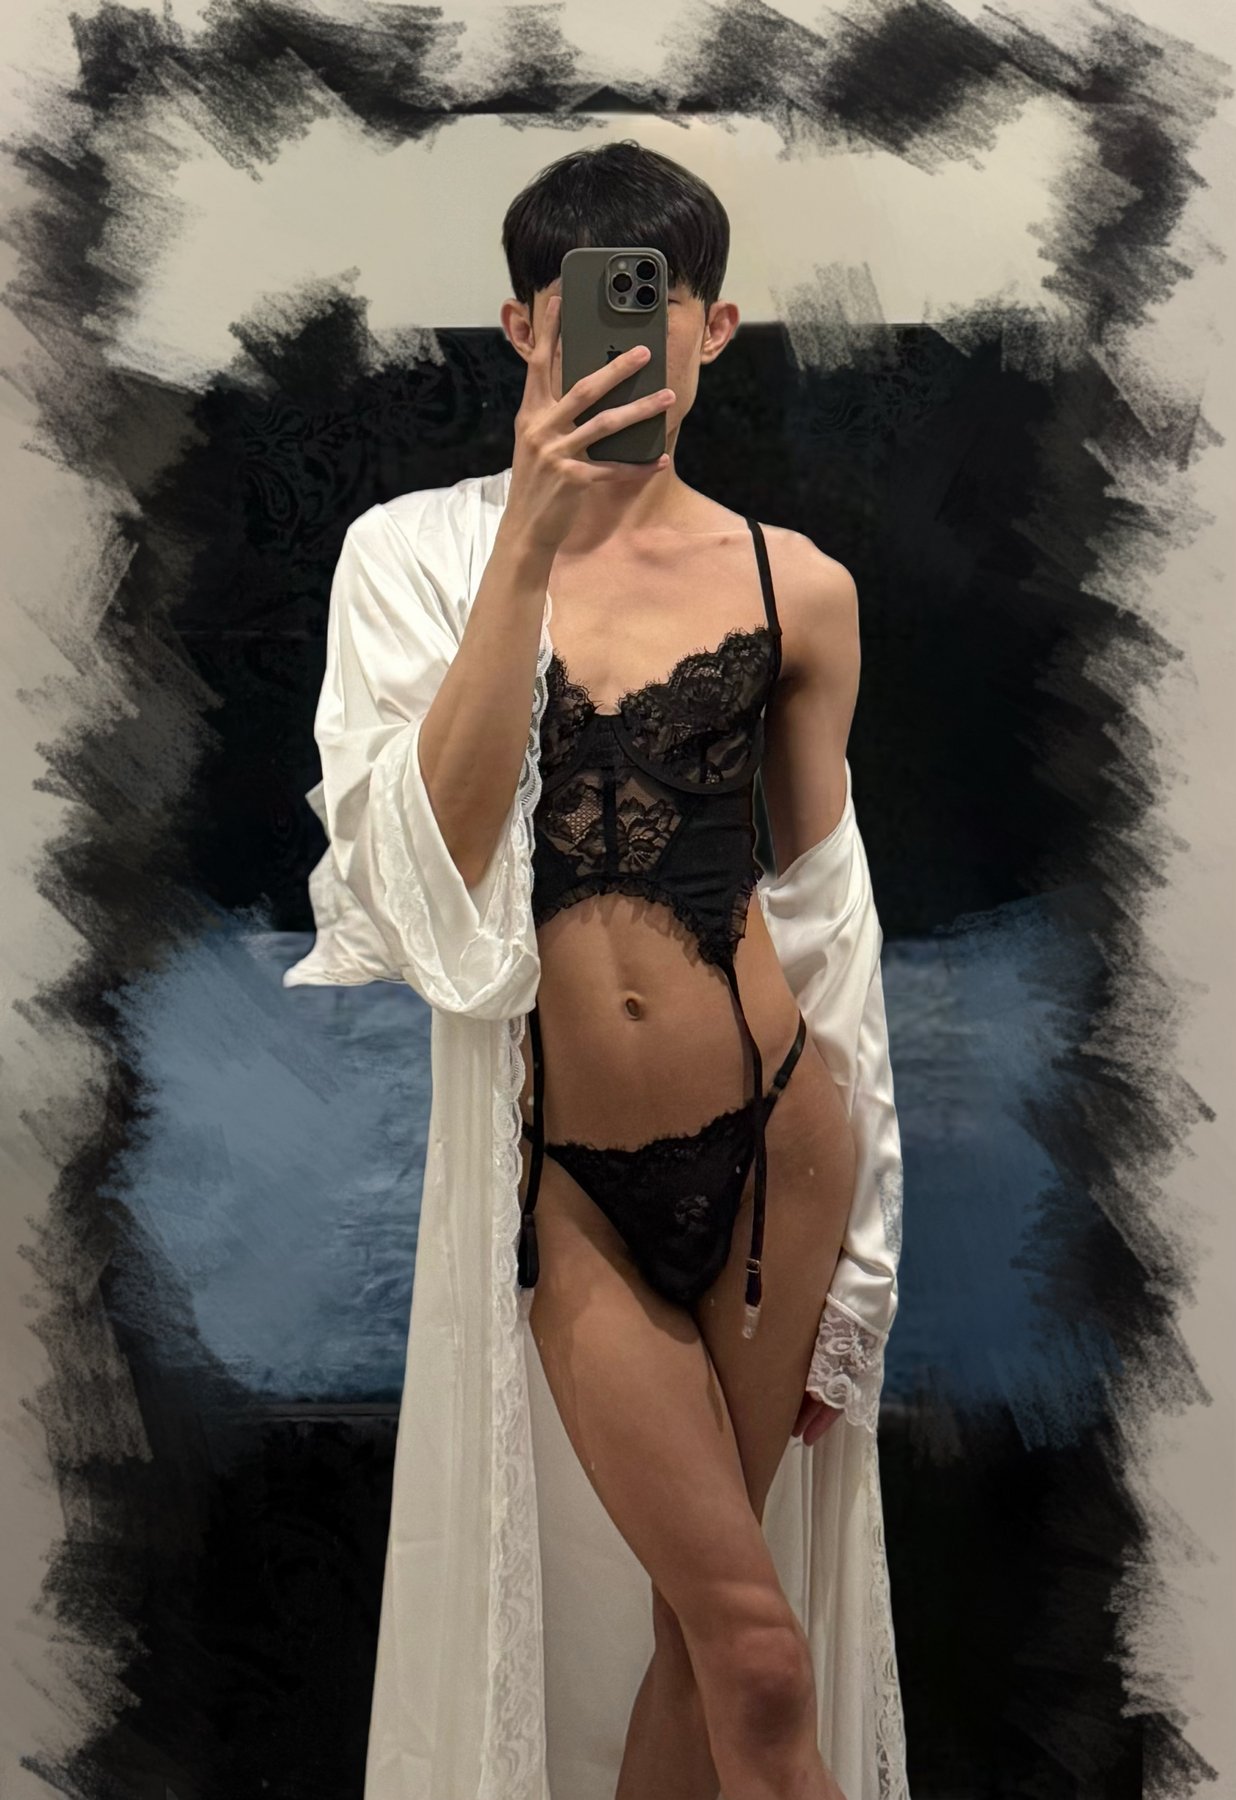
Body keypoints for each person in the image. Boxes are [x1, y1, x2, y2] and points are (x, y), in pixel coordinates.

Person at [284, 140, 907, 1800]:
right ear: (524, 327)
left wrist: (868, 1266)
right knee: (752, 1648)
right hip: (566, 1182)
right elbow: (423, 876)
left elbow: (830, 922)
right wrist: (529, 546)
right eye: (588, 310)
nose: (628, 341)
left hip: (781, 1152)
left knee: (710, 1659)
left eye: (664, 304)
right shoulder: (413, 558)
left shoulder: (798, 586)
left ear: (715, 329)